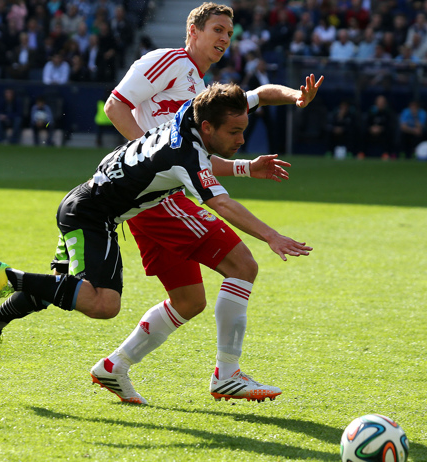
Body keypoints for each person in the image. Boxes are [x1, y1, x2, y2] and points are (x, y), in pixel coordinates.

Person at [0, 83, 312, 406]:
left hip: (90, 208)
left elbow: (254, 99)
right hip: (91, 216)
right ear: (208, 128)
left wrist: (289, 101)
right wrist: (271, 235)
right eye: (234, 132)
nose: (241, 138)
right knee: (103, 304)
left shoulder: (191, 112)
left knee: (64, 289)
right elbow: (221, 203)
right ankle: (7, 277)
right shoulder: (186, 154)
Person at [97, 2, 322, 404]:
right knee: (243, 265)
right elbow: (115, 105)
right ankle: (228, 375)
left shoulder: (201, 95)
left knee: (189, 301)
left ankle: (114, 367)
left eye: (229, 34)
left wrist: (292, 102)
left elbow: (252, 103)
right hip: (154, 197)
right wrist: (143, 163)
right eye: (217, 29)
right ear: (193, 30)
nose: (223, 39)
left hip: (151, 198)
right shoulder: (169, 61)